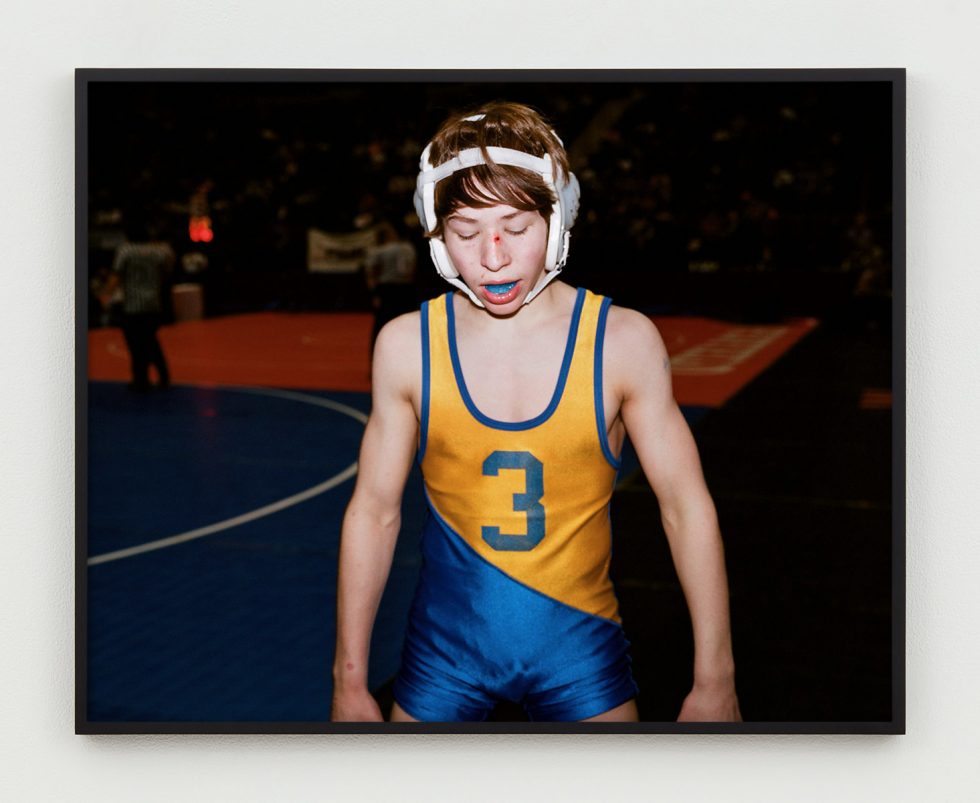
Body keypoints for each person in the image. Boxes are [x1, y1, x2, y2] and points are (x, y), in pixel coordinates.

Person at [332, 102, 740, 723]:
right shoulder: (406, 347)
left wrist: (717, 679)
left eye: (515, 229)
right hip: (443, 656)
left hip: (579, 654)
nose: (492, 256)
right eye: (466, 233)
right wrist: (349, 679)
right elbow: (374, 511)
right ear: (435, 234)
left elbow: (686, 507)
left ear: (560, 218)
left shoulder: (621, 343)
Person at [111, 219, 175, 392]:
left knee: (135, 343)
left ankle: (141, 378)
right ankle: (162, 375)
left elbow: (117, 274)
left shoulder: (125, 251)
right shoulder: (158, 252)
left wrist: (107, 295)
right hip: (153, 303)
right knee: (150, 340)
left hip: (132, 304)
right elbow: (167, 271)